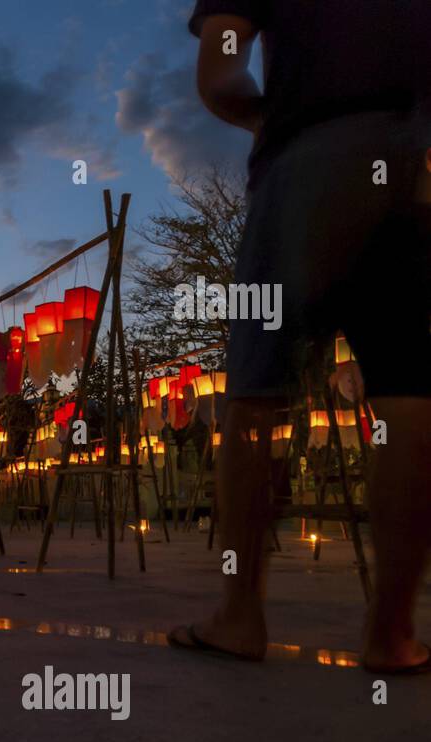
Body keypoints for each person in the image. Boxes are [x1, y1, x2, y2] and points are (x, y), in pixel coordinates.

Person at [177, 1, 431, 673]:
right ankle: (392, 633)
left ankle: (239, 616)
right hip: (413, 154)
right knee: (407, 387)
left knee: (257, 393)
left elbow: (219, 73)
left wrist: (272, 115)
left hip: (310, 154)